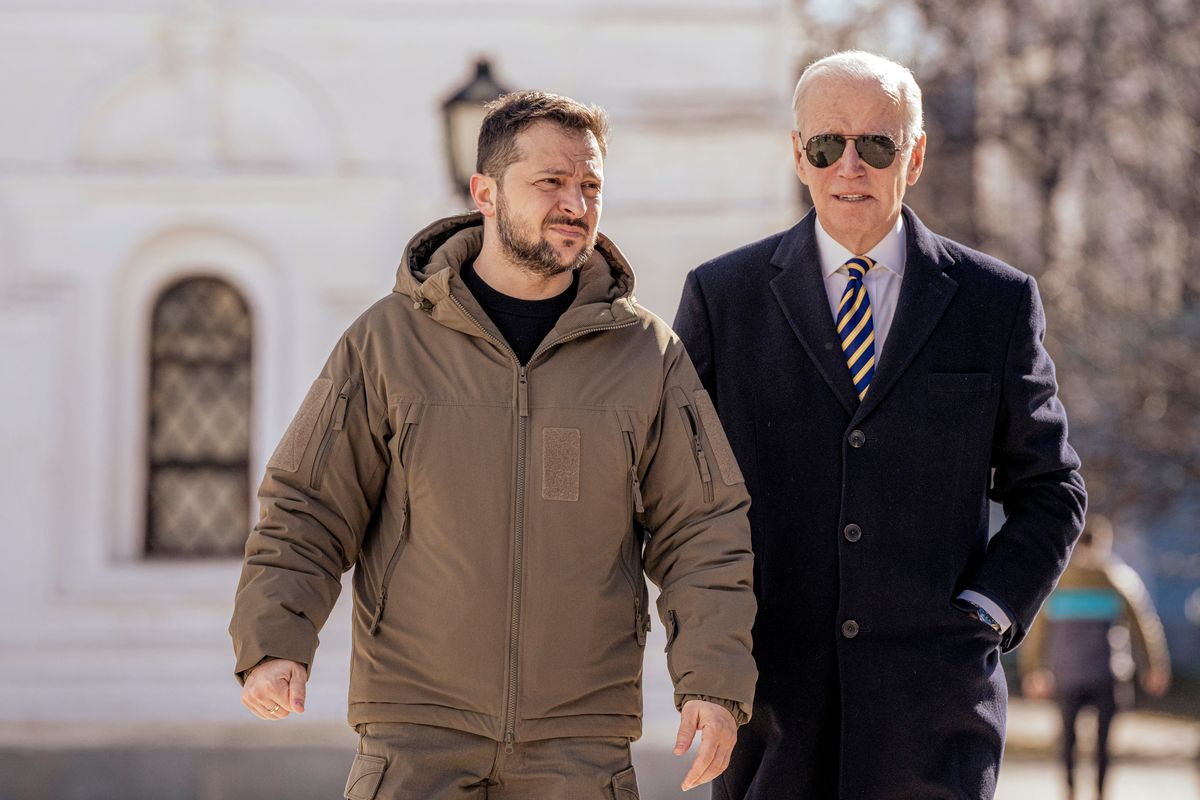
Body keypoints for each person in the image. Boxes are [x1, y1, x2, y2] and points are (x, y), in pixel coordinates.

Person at [229, 90, 758, 800]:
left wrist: (714, 684)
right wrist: (273, 642)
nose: (576, 202)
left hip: (579, 744)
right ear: (485, 191)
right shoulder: (386, 340)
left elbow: (703, 525)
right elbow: (309, 504)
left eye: (590, 185)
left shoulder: (645, 353)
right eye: (551, 182)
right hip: (415, 734)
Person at [673, 51, 1087, 799]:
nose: (850, 167)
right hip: (771, 712)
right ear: (798, 156)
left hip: (934, 719)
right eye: (827, 145)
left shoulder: (995, 303)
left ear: (916, 154)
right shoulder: (721, 299)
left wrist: (987, 613)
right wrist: (710, 660)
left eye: (878, 144)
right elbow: (675, 499)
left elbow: (1052, 488)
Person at [1020, 515, 1171, 800]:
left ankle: (1070, 792)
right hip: (1108, 674)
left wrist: (1033, 670)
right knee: (1103, 743)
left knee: (1068, 740)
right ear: (1103, 543)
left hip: (1068, 674)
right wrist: (1154, 667)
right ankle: (1099, 794)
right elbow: (1144, 625)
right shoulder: (1117, 578)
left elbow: (1037, 629)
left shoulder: (1058, 581)